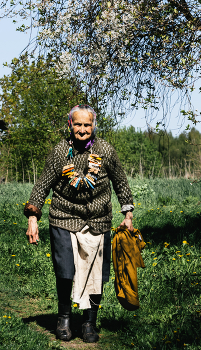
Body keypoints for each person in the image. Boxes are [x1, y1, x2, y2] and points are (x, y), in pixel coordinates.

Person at [24, 105, 134, 343]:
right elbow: (42, 184)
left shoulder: (105, 150)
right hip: (64, 216)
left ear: (94, 126)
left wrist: (128, 214)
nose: (82, 129)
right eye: (78, 124)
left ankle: (88, 323)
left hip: (98, 220)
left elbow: (121, 182)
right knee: (65, 270)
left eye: (87, 125)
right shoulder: (60, 151)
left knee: (96, 275)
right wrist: (33, 216)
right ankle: (64, 319)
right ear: (69, 125)